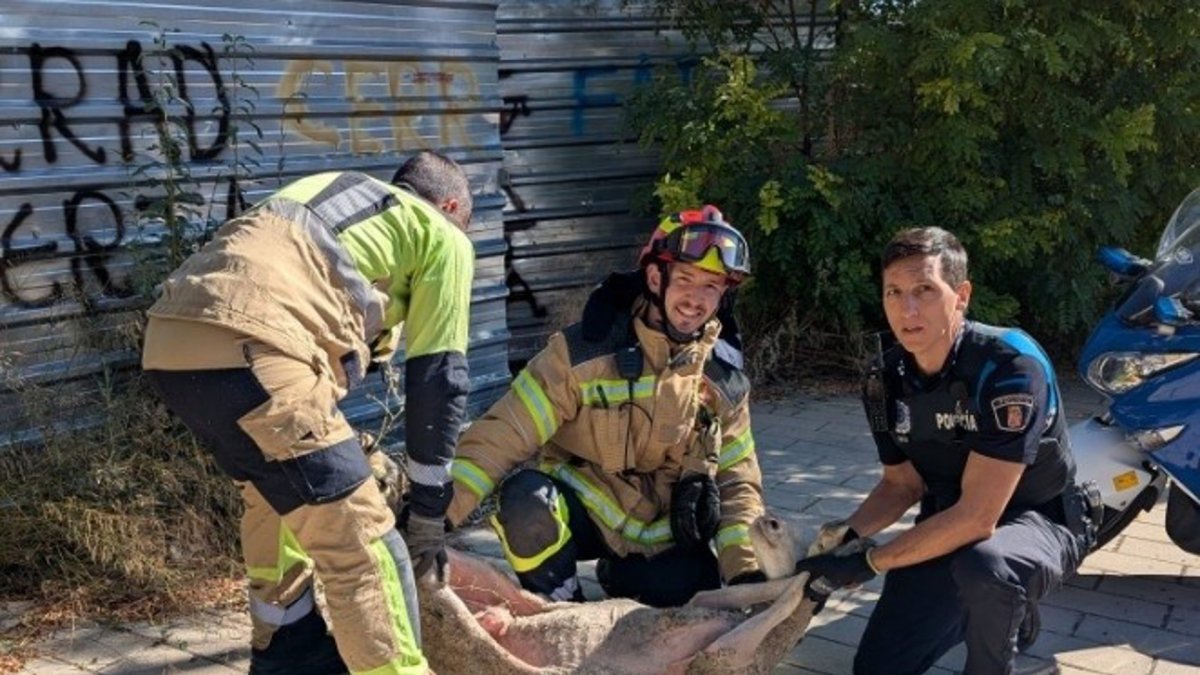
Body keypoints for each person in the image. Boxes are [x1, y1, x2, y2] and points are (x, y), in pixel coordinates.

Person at [141, 151, 475, 675]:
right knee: (368, 544)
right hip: (253, 342)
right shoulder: (442, 233)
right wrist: (430, 512)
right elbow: (439, 378)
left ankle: (287, 651)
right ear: (452, 205)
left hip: (172, 345)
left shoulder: (334, 191)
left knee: (275, 500)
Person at [793, 227, 1099, 675]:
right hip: (946, 521)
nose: (907, 309)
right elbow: (901, 484)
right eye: (893, 292)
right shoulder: (883, 380)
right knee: (878, 668)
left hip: (1039, 519)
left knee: (986, 567)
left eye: (924, 290)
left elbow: (979, 518)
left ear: (961, 295)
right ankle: (986, 610)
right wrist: (844, 538)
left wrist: (868, 562)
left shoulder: (1011, 367)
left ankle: (1000, 623)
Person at [445, 205, 768, 607]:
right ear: (655, 277)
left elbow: (738, 482)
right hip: (586, 516)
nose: (696, 299)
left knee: (684, 592)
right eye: (685, 279)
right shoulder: (581, 353)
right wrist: (434, 516)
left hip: (662, 535)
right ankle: (559, 604)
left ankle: (624, 576)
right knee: (525, 501)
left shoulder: (724, 379)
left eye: (712, 286)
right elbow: (502, 435)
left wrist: (748, 576)